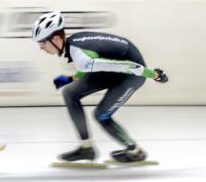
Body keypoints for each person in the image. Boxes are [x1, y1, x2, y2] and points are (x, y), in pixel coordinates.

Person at [32, 11, 168, 163]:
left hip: (131, 73)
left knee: (101, 115)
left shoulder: (79, 55)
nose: (41, 48)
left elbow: (123, 66)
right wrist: (71, 78)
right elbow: (93, 64)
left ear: (56, 39)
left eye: (42, 42)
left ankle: (135, 151)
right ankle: (86, 148)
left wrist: (153, 74)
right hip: (117, 65)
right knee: (70, 93)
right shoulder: (74, 43)